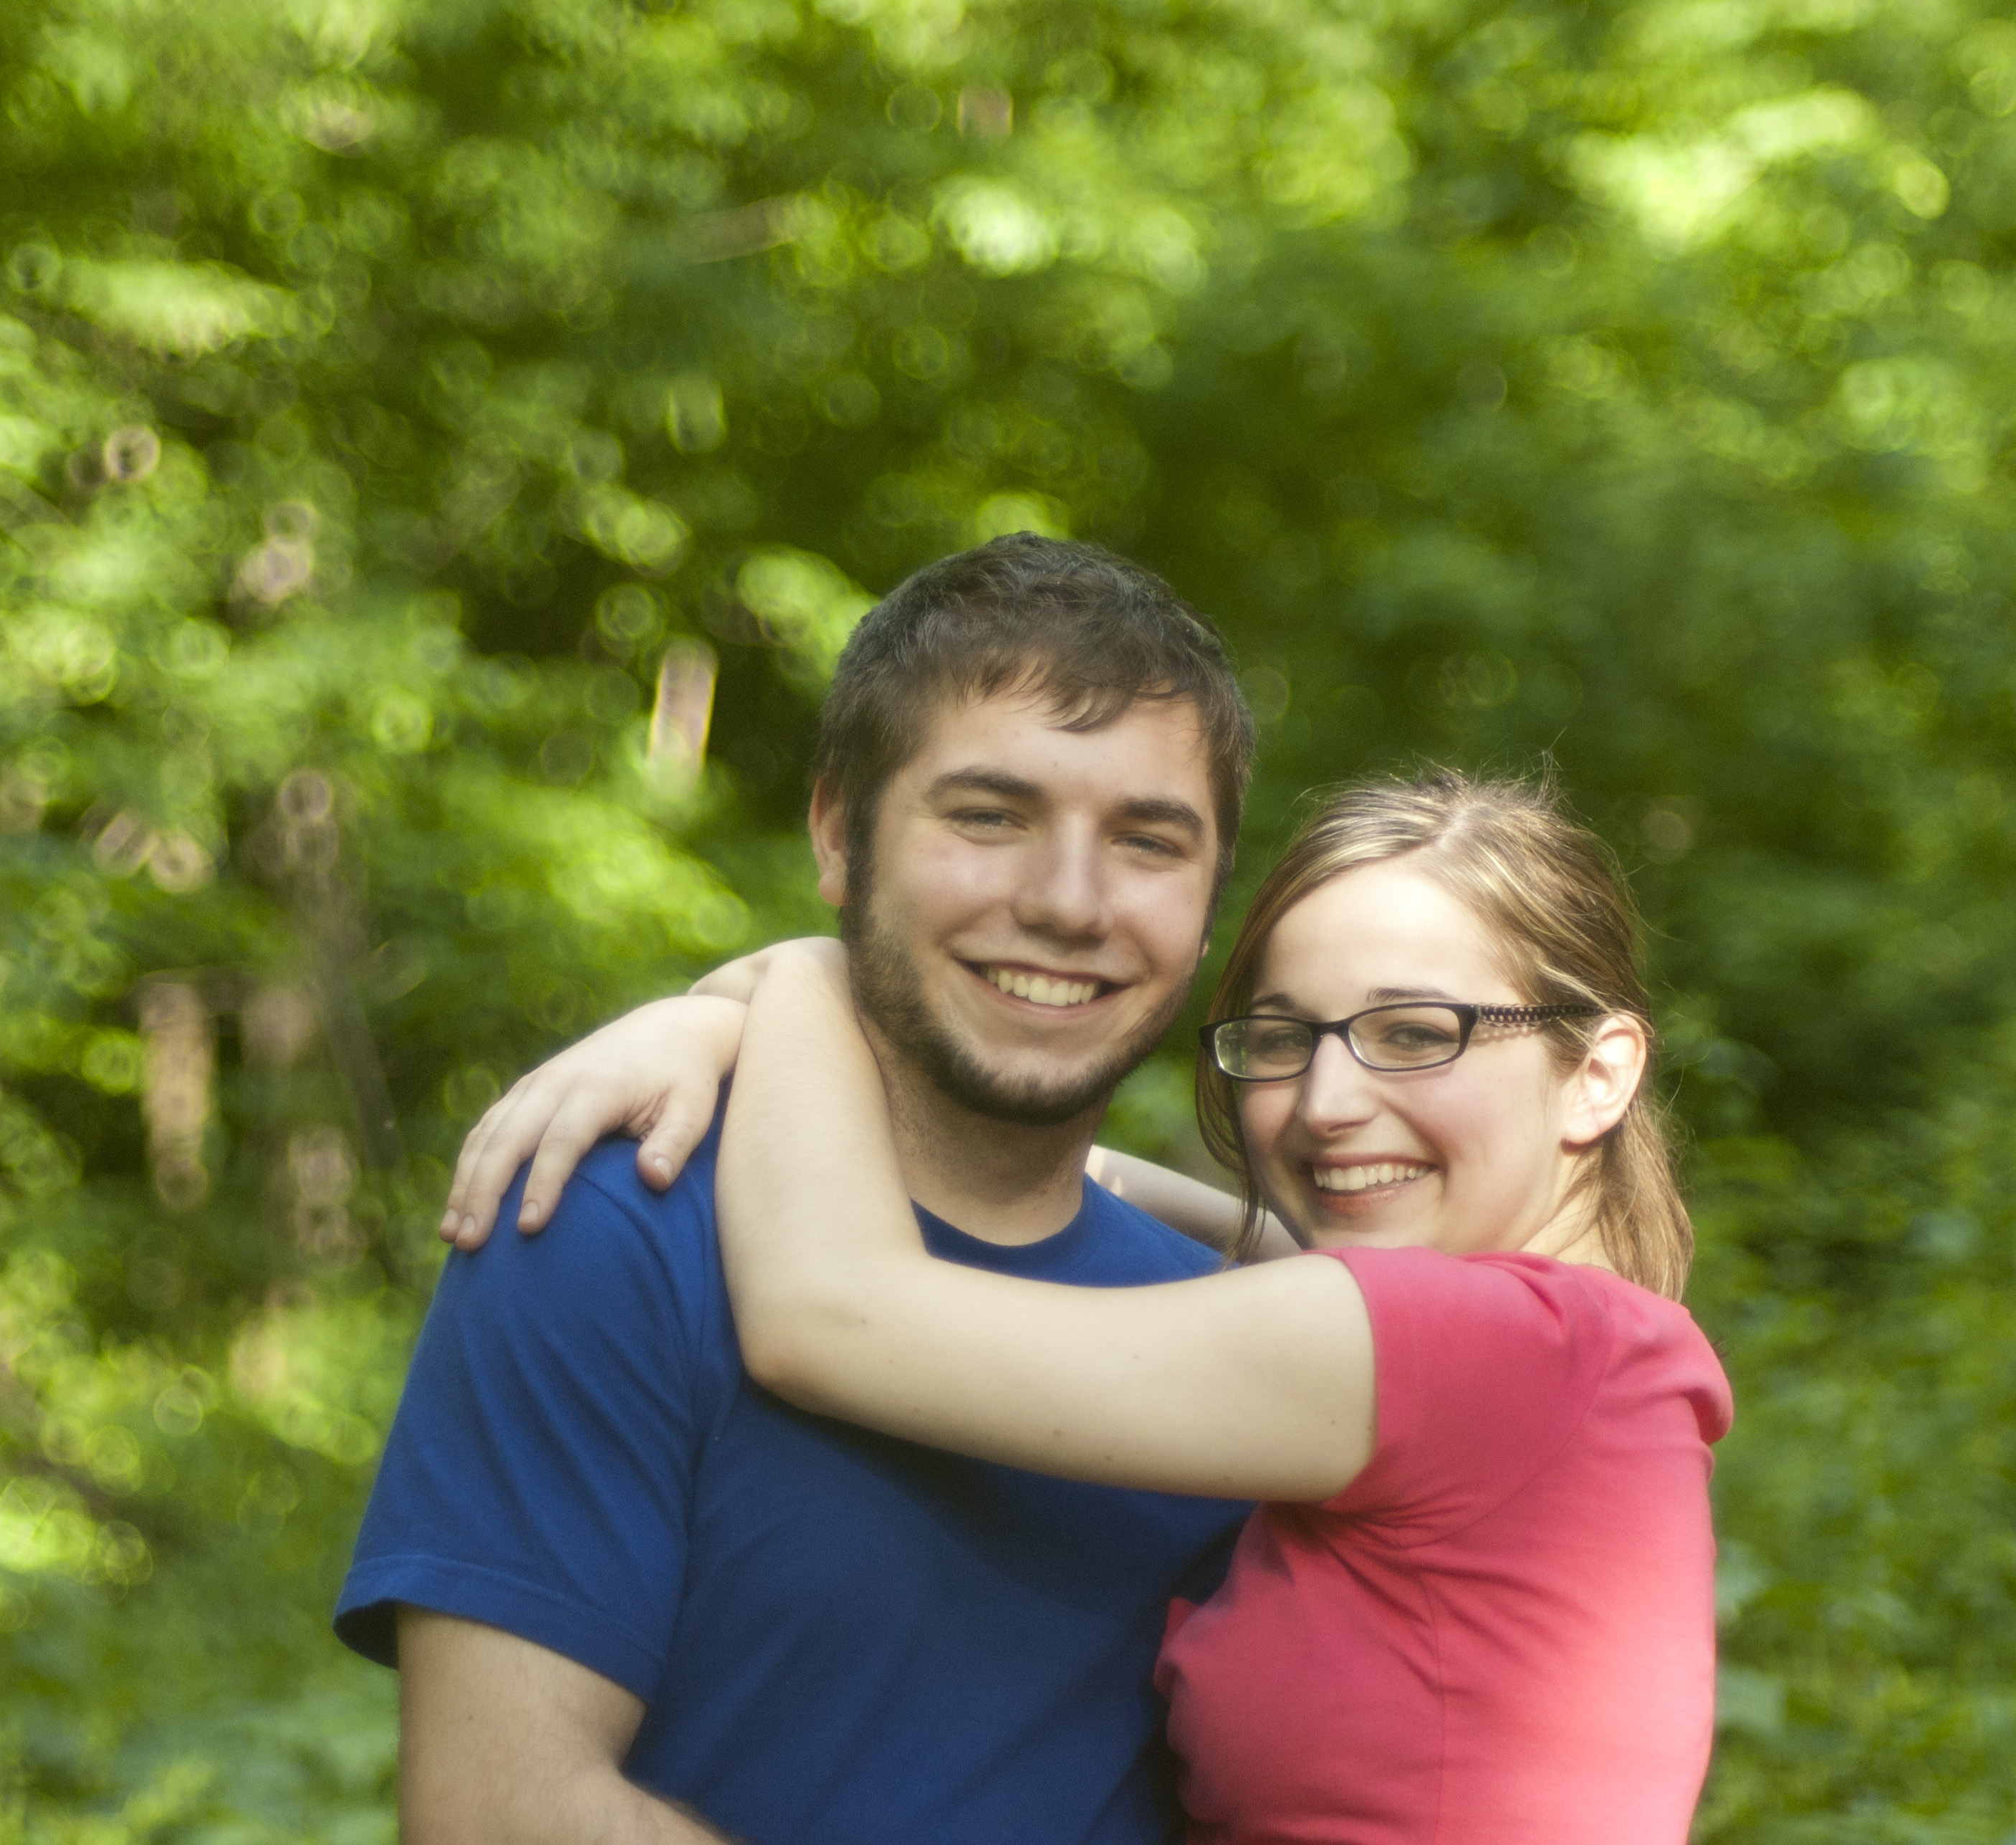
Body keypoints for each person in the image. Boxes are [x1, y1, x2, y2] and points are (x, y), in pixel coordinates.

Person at [466, 772, 1734, 1842]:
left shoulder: (1486, 1348)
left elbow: (827, 1315)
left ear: (1597, 1074)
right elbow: (1144, 1205)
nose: (1325, 1104)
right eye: (1281, 1040)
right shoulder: (1582, 1359)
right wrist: (729, 1047)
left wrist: (807, 978)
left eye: (1413, 1034)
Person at [336, 533, 1281, 1844]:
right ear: (839, 834)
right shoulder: (610, 1223)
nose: (1070, 902)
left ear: (1211, 898)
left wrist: (769, 988)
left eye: (1148, 841)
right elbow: (502, 1815)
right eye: (988, 816)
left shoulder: (1252, 1341)